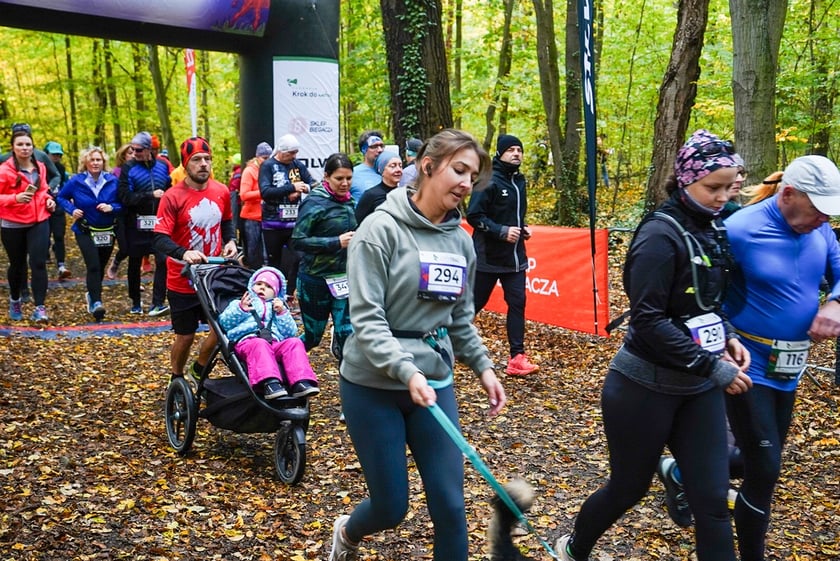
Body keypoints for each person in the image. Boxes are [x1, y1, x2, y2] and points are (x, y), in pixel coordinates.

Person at [553, 129, 753, 561]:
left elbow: (707, 303)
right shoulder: (659, 237)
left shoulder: (715, 228)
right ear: (684, 181)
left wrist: (730, 338)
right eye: (712, 187)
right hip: (643, 388)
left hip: (697, 391)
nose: (722, 197)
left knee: (713, 503)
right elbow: (649, 320)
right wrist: (712, 366)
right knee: (629, 487)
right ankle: (574, 548)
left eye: (727, 186)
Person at [328, 129, 506, 561]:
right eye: (458, 170)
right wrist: (407, 371)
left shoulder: (461, 241)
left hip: (434, 383)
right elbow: (365, 320)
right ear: (427, 167)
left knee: (450, 506)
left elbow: (460, 317)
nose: (466, 182)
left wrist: (483, 368)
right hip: (373, 386)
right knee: (392, 507)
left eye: (473, 175)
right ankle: (348, 534)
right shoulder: (378, 231)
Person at [722, 154, 840, 561]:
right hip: (746, 365)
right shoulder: (739, 229)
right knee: (766, 467)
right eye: (819, 211)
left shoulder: (821, 231)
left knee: (757, 457)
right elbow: (703, 292)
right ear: (788, 194)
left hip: (790, 368)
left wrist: (835, 303)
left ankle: (684, 471)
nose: (825, 220)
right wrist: (723, 341)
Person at [153, 136, 238, 382]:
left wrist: (230, 241)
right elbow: (159, 238)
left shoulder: (221, 191)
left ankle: (199, 368)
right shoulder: (172, 196)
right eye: (197, 160)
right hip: (182, 279)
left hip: (214, 275)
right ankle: (176, 377)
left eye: (207, 159)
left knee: (222, 327)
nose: (203, 164)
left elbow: (226, 222)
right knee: (186, 336)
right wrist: (183, 253)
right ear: (185, 165)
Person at [466, 134, 538, 376]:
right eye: (511, 150)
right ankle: (450, 341)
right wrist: (500, 231)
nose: (516, 153)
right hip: (488, 256)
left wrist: (522, 228)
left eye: (519, 149)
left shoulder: (520, 181)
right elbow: (474, 216)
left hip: (515, 258)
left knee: (518, 303)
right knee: (475, 303)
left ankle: (517, 357)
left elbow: (516, 215)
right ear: (500, 153)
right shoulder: (488, 180)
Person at [290, 152, 356, 360]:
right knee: (313, 337)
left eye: (349, 178)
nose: (345, 183)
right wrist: (336, 242)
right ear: (326, 177)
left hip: (343, 279)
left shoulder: (350, 202)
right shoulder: (314, 202)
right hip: (315, 279)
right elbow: (298, 241)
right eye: (339, 178)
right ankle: (283, 361)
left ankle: (352, 386)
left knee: (348, 333)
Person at [218, 266, 320, 399]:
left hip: (274, 344)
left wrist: (282, 313)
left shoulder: (277, 308)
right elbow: (224, 323)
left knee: (294, 342)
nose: (262, 288)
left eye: (268, 287)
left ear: (276, 293)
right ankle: (269, 383)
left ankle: (301, 381)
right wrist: (240, 309)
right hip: (248, 343)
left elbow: (290, 332)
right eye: (259, 284)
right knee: (259, 344)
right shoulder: (241, 303)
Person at [56, 146, 121, 322]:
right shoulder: (76, 181)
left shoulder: (112, 181)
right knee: (93, 265)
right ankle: (97, 303)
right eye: (92, 159)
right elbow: (61, 197)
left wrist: (112, 207)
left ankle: (92, 294)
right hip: (85, 229)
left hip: (107, 230)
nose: (95, 163)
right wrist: (72, 209)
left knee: (100, 265)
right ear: (85, 162)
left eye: (98, 160)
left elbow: (123, 204)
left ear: (103, 162)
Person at [0, 122, 57, 322]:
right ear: (13, 148)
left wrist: (48, 200)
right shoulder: (5, 171)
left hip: (39, 221)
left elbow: (41, 190)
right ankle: (15, 299)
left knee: (38, 262)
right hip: (12, 224)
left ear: (33, 147)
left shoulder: (40, 167)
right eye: (20, 145)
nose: (25, 148)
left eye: (28, 144)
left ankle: (40, 307)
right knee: (17, 265)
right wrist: (15, 198)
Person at [258, 133, 317, 303]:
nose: (293, 156)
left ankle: (289, 291)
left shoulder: (297, 165)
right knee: (273, 261)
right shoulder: (268, 166)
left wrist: (302, 188)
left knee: (300, 257)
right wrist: (290, 188)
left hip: (294, 223)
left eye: (295, 152)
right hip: (272, 223)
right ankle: (273, 296)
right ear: (281, 152)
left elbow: (312, 182)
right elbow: (266, 192)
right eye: (290, 153)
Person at [118, 131, 171, 315]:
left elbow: (169, 189)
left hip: (159, 222)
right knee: (134, 262)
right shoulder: (129, 168)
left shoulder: (163, 167)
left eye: (139, 149)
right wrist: (149, 195)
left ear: (149, 149)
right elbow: (124, 197)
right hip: (135, 222)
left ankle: (158, 302)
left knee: (163, 261)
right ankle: (136, 302)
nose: (135, 152)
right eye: (132, 149)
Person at [239, 141, 272, 268]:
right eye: (264, 158)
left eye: (269, 158)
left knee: (267, 254)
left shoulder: (269, 170)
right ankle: (249, 276)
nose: (267, 160)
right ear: (257, 157)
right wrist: (264, 192)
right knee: (252, 252)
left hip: (267, 217)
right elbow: (244, 195)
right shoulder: (249, 171)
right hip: (251, 218)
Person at [105, 144, 135, 280]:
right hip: (119, 213)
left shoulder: (139, 170)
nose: (133, 154)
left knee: (136, 249)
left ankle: (134, 280)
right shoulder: (116, 172)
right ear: (123, 156)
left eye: (135, 151)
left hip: (135, 214)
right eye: (130, 152)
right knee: (125, 247)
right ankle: (115, 263)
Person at [44, 141, 72, 280]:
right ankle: (45, 255)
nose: (56, 157)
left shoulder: (62, 170)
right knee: (44, 236)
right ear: (46, 155)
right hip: (42, 207)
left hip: (58, 206)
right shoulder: (40, 169)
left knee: (59, 236)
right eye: (53, 154)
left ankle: (61, 266)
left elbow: (66, 187)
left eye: (58, 155)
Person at [354, 150, 402, 224]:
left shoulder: (404, 194)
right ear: (381, 170)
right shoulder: (371, 195)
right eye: (393, 166)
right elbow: (357, 223)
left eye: (400, 166)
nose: (398, 170)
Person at [349, 130, 385, 202]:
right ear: (364, 149)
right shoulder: (352, 174)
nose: (380, 150)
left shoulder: (391, 172)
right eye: (374, 146)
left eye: (381, 146)